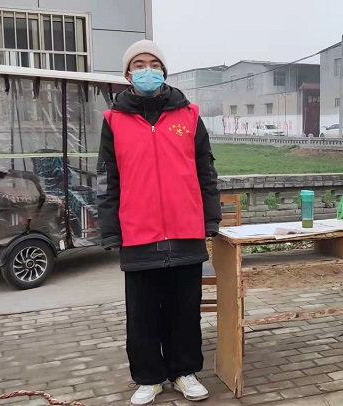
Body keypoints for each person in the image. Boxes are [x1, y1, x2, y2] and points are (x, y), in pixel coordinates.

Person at [96, 39, 222, 406]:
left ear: (164, 72)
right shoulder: (114, 121)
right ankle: (149, 378)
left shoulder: (189, 116)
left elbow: (206, 172)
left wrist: (210, 218)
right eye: (139, 65)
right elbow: (108, 179)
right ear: (127, 74)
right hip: (138, 231)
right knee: (142, 313)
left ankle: (184, 372)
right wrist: (111, 229)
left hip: (185, 228)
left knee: (185, 309)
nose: (147, 70)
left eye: (154, 64)